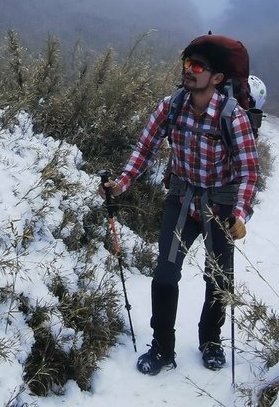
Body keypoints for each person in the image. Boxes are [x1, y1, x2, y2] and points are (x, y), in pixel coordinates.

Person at [101, 36, 259, 374]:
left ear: (216, 78)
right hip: (181, 199)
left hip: (220, 206)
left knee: (218, 280)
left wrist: (240, 215)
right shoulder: (171, 106)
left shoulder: (232, 117)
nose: (189, 71)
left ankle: (211, 341)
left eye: (198, 66)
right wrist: (120, 184)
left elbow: (248, 172)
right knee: (165, 276)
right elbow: (144, 149)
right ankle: (162, 348)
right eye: (187, 64)